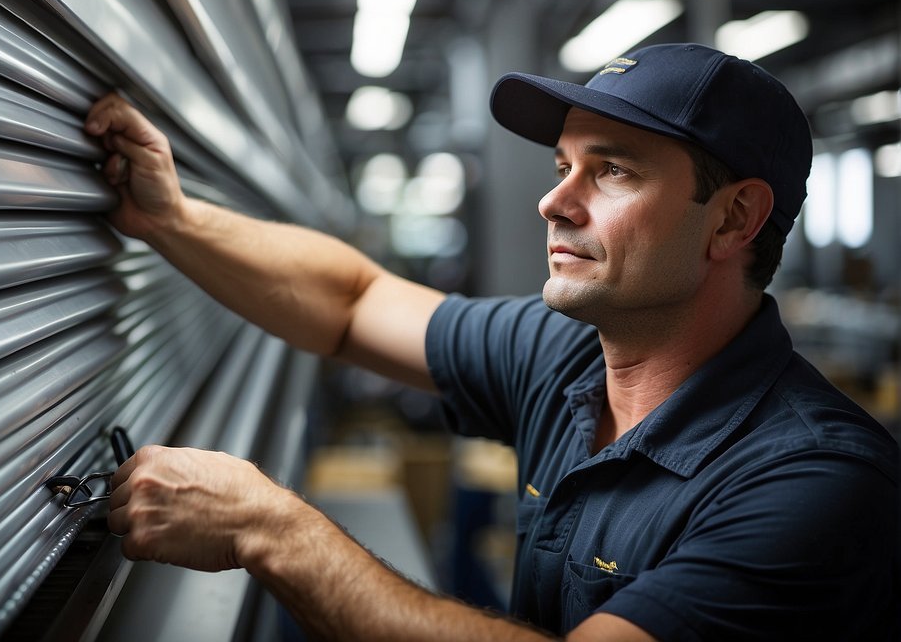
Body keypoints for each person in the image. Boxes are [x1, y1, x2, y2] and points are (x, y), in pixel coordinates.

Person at [84, 43, 899, 641]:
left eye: (610, 170)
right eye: (561, 165)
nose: (555, 201)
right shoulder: (565, 354)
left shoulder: (814, 480)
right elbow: (350, 301)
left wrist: (272, 530)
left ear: (732, 218)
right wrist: (172, 219)